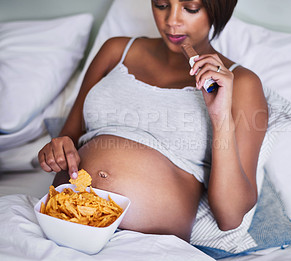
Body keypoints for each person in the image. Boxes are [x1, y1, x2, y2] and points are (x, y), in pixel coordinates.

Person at [38, 0, 268, 242]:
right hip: (59, 223)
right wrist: (57, 150)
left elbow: (230, 217)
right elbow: (66, 140)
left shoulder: (241, 83)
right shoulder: (116, 50)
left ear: (218, 9)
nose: (171, 20)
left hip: (146, 244)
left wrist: (220, 118)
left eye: (190, 8)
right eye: (161, 5)